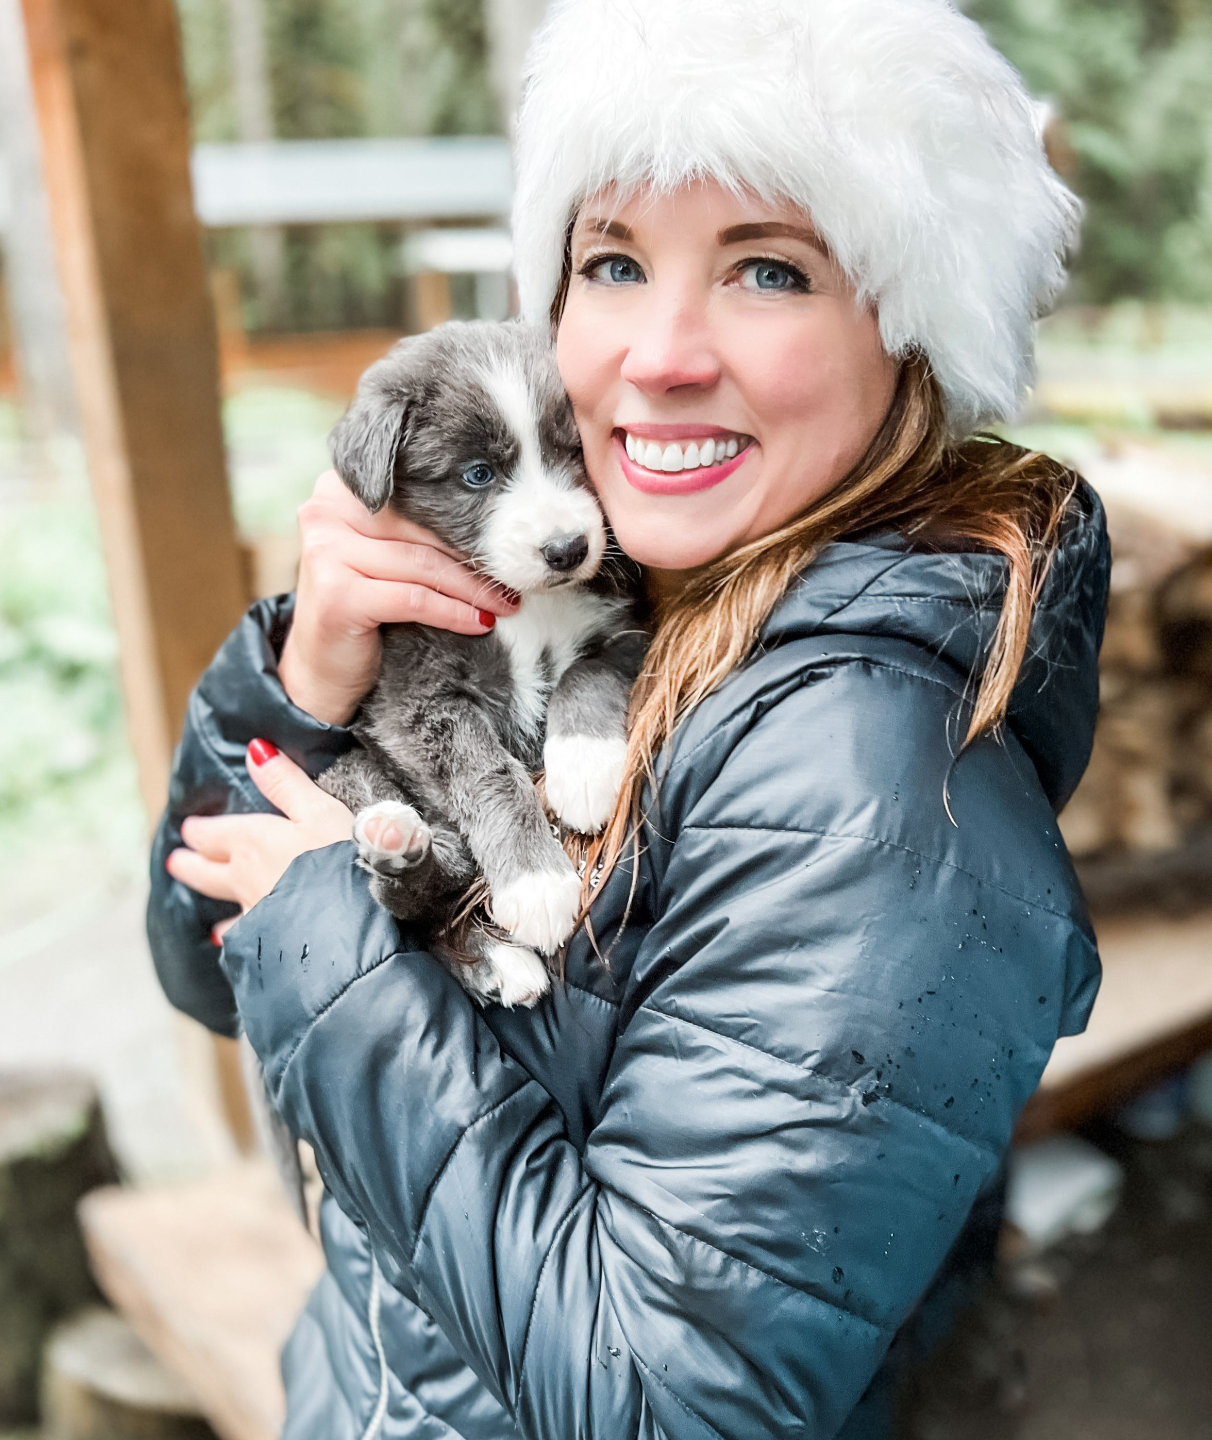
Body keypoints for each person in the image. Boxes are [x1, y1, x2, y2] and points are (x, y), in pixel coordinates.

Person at [148, 0, 1109, 1434]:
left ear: (912, 335)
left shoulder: (870, 791)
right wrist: (305, 688)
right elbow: (199, 964)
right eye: (612, 261)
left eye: (770, 269)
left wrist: (327, 936)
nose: (658, 354)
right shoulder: (618, 594)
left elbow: (665, 1403)